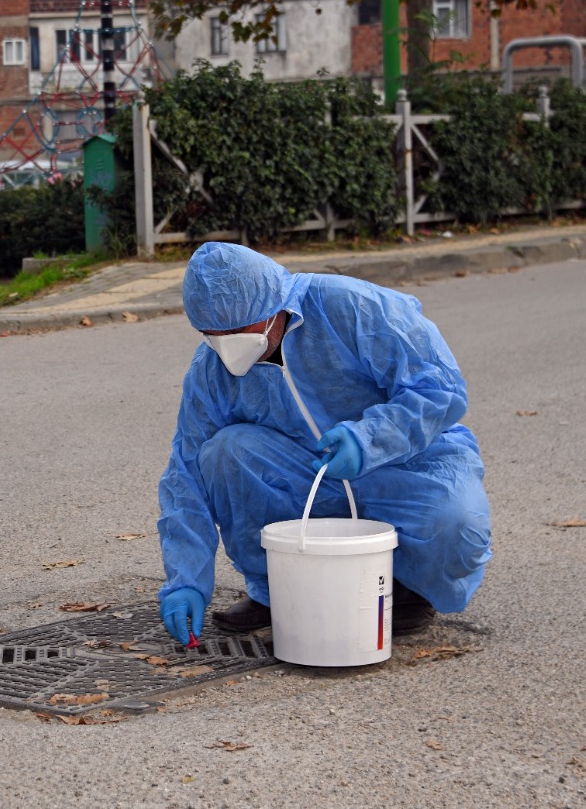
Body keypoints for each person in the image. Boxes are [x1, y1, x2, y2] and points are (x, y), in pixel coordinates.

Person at [157, 243, 491, 645]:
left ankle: (409, 587)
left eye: (238, 330)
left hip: (406, 465)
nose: (227, 344)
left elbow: (439, 389)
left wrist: (368, 438)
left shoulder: (352, 306)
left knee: (456, 521)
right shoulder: (210, 371)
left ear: (273, 307)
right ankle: (280, 588)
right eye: (213, 334)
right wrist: (185, 580)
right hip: (308, 474)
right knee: (226, 453)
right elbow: (186, 471)